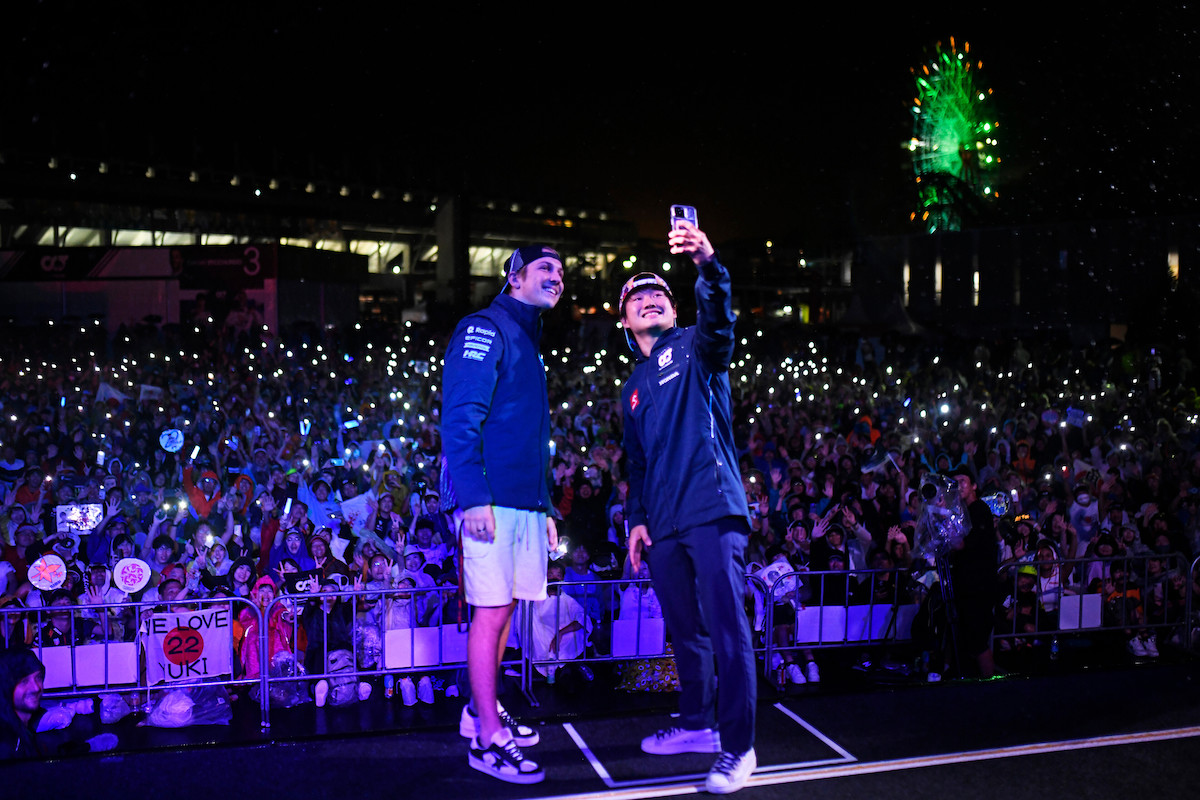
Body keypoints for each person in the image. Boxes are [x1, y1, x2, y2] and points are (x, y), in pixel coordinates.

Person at [621, 220, 757, 794]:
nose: (650, 299)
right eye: (636, 297)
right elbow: (638, 464)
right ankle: (699, 724)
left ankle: (739, 748)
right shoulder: (630, 387)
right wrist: (636, 520)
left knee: (727, 628)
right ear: (624, 323)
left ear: (673, 313)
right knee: (686, 631)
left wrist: (707, 265)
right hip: (665, 523)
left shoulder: (698, 346)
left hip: (710, 504)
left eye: (659, 295)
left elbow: (722, 320)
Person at [442, 244, 564, 785]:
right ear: (515, 277)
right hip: (490, 501)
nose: (558, 277)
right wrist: (472, 497)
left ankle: (480, 710)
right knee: (490, 613)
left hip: (523, 503)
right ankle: (487, 737)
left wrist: (545, 507)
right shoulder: (484, 327)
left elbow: (530, 439)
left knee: (507, 608)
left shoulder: (526, 334)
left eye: (561, 271)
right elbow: (461, 417)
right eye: (546, 268)